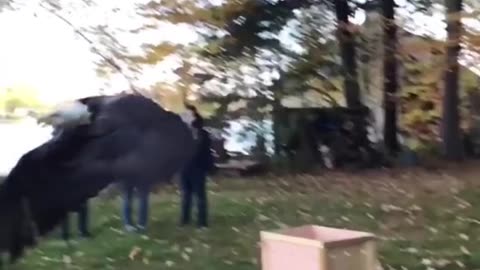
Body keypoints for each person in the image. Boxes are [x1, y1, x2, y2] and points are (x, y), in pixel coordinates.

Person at [179, 105, 215, 228]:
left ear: (194, 116)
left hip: (198, 167)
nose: (185, 116)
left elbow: (205, 150)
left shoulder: (202, 133)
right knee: (186, 195)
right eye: (184, 114)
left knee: (200, 195)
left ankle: (202, 223)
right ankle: (184, 220)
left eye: (188, 114)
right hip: (184, 167)